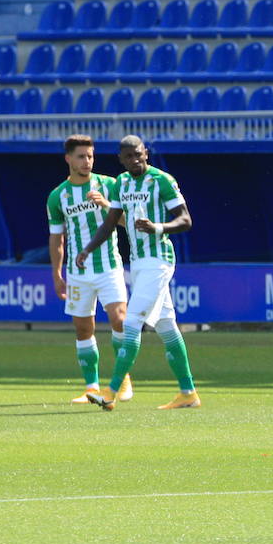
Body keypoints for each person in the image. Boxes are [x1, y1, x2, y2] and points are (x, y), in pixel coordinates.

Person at [77, 136, 200, 411]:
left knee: (132, 322)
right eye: (128, 157)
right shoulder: (121, 182)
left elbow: (185, 220)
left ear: (146, 153)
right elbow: (111, 221)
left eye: (138, 154)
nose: (134, 160)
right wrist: (88, 249)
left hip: (159, 260)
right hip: (139, 261)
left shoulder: (162, 180)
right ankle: (188, 393)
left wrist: (157, 227)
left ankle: (110, 392)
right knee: (167, 326)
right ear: (121, 160)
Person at [46, 134, 133, 405]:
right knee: (83, 329)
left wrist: (107, 207)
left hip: (109, 266)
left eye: (91, 156)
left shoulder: (109, 185)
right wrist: (57, 274)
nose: (87, 161)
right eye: (82, 156)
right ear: (68, 159)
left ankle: (123, 379)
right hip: (78, 272)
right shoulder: (57, 196)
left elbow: (130, 223)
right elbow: (56, 238)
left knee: (120, 319)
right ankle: (90, 388)